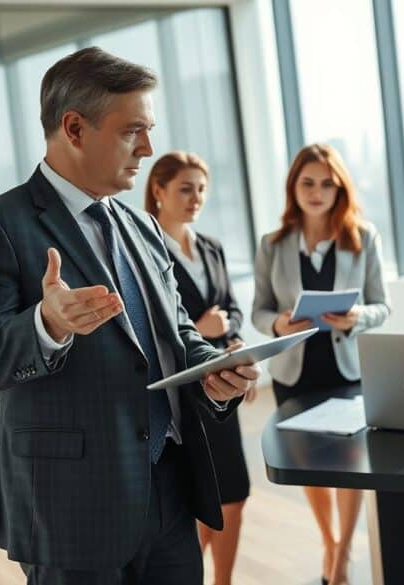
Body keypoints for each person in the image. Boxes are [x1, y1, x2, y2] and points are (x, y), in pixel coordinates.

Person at [0, 47, 259, 585]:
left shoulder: (143, 228)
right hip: (72, 510)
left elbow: (178, 334)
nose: (149, 148)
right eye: (132, 131)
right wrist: (46, 327)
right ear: (74, 128)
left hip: (172, 495)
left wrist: (212, 372)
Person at [252, 143, 390, 585]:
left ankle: (343, 553)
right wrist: (276, 323)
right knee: (308, 461)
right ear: (294, 186)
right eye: (307, 182)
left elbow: (382, 306)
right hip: (295, 370)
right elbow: (259, 310)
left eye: (326, 183)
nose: (316, 191)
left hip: (346, 368)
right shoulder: (272, 245)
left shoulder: (362, 237)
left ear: (339, 188)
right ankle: (329, 541)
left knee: (350, 464)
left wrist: (356, 317)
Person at [144, 151, 251, 585]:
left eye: (201, 189)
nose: (196, 198)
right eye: (185, 188)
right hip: (186, 396)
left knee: (235, 496)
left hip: (223, 388)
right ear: (159, 191)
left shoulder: (212, 248)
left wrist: (235, 342)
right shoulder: (147, 253)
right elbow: (155, 327)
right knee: (201, 500)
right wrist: (203, 331)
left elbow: (233, 309)